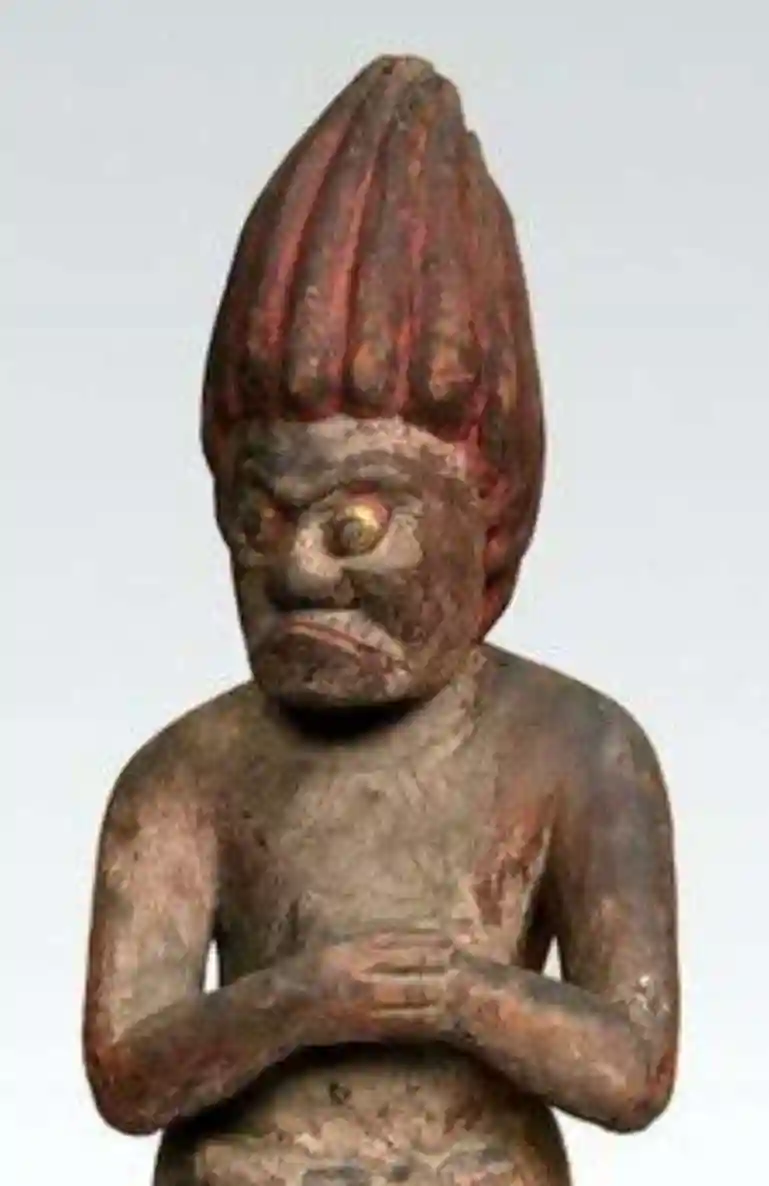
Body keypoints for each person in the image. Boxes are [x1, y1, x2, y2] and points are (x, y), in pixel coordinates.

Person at [83, 55, 679, 1186]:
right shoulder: (186, 773)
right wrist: (299, 1000)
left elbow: (633, 1068)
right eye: (257, 520)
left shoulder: (578, 748)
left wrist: (458, 995)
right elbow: (126, 1073)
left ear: (487, 516)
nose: (297, 572)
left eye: (354, 524)